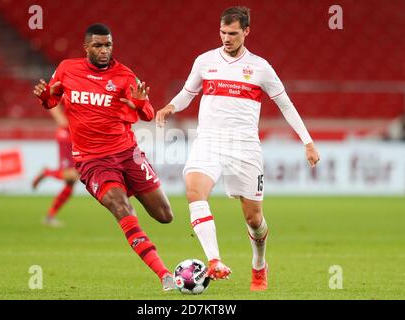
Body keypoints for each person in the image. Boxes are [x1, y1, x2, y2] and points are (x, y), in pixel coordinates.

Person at [156, 7, 320, 291]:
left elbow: (285, 104)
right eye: (223, 33)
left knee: (253, 219)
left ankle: (259, 265)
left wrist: (307, 141)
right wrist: (171, 106)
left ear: (246, 32)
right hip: (208, 141)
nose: (226, 38)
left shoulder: (260, 68)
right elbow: (188, 93)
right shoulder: (205, 61)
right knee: (194, 191)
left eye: (233, 33)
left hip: (244, 148)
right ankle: (214, 261)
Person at [33, 23, 175, 291]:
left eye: (108, 45)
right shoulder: (67, 68)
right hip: (91, 160)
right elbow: (52, 99)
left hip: (127, 153)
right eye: (98, 45)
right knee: (122, 208)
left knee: (165, 215)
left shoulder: (124, 75)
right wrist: (44, 98)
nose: (104, 50)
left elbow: (146, 114)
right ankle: (164, 274)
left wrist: (139, 102)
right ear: (86, 47)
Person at [32, 102, 79, 227]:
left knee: (70, 184)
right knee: (72, 176)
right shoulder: (66, 87)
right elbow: (52, 104)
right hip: (67, 135)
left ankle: (50, 216)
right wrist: (63, 122)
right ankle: (46, 172)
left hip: (74, 135)